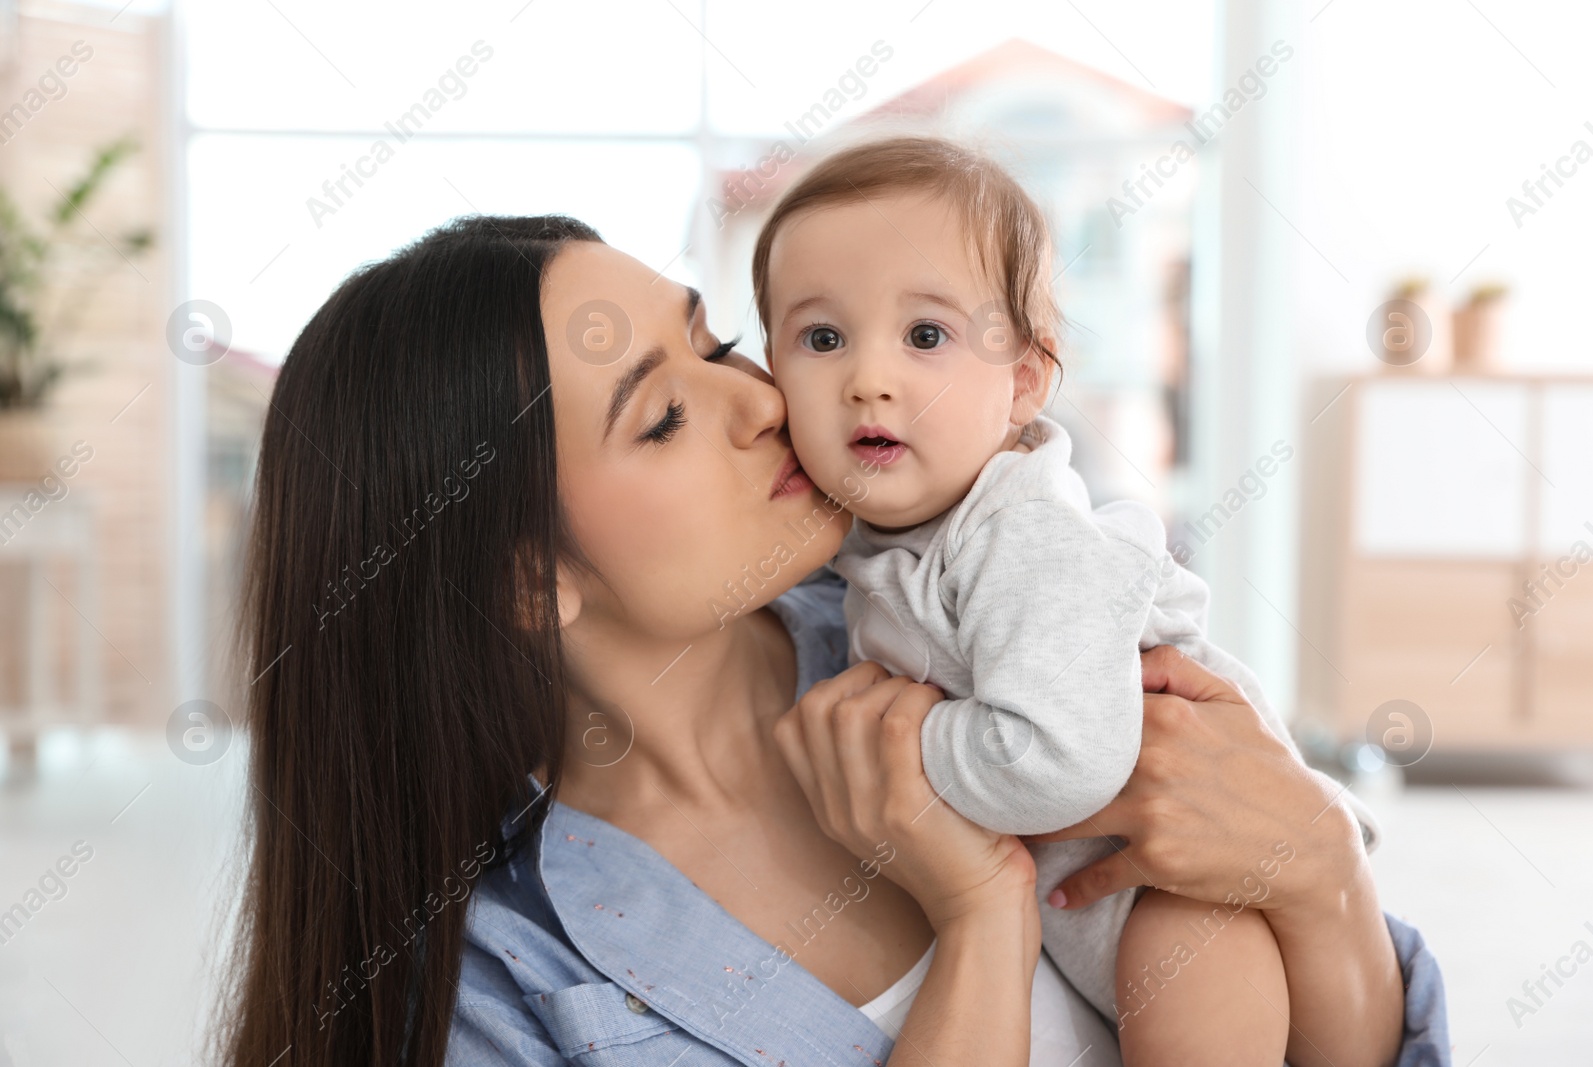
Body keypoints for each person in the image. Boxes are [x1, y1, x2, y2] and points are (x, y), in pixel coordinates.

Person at [219, 214, 1450, 1067]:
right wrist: (978, 916)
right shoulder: (503, 991)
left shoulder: (973, 624)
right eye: (662, 417)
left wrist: (1320, 864)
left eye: (716, 344)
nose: (762, 403)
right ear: (528, 579)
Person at [755, 134, 1309, 1063]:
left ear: (1022, 382)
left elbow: (1060, 758)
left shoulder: (1026, 534)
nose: (868, 378)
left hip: (1195, 888)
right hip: (1086, 899)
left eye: (926, 336)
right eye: (821, 338)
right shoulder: (870, 540)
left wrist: (903, 744)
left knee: (1191, 971)